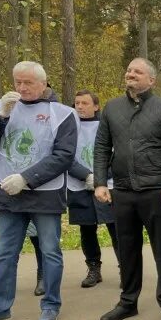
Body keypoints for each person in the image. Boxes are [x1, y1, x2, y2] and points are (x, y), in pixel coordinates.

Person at [94, 58, 161, 320]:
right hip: (122, 191)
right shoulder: (112, 107)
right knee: (127, 249)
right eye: (129, 70)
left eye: (137, 71)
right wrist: (100, 182)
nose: (130, 74)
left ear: (151, 80)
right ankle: (127, 302)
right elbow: (101, 147)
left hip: (156, 191)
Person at [0, 61, 77, 320]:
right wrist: (1, 118)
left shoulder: (62, 113)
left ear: (43, 83)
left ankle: (51, 304)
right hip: (7, 193)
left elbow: (63, 156)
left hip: (44, 195)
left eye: (28, 82)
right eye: (18, 81)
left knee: (50, 251)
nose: (22, 87)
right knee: (5, 252)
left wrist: (26, 179)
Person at [67, 90, 119, 288]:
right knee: (87, 229)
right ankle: (94, 269)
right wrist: (85, 175)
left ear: (96, 106)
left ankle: (126, 267)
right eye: (77, 103)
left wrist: (99, 178)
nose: (79, 106)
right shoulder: (69, 127)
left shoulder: (107, 127)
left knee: (116, 227)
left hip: (108, 185)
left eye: (85, 103)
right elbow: (64, 155)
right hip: (79, 185)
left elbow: (116, 156)